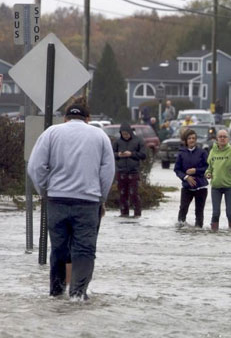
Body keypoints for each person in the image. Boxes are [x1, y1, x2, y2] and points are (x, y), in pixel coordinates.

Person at [27, 98, 115, 299]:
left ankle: (56, 293)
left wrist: (44, 191)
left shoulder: (51, 133)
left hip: (57, 201)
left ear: (65, 117)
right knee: (84, 251)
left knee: (58, 249)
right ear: (88, 118)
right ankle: (77, 295)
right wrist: (101, 198)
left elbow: (35, 167)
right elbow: (107, 172)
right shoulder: (99, 136)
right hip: (87, 202)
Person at [204, 129, 231, 231]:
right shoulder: (212, 151)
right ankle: (214, 233)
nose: (222, 138)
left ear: (228, 139)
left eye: (225, 137)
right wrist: (208, 173)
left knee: (229, 213)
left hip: (230, 186)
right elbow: (209, 167)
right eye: (220, 137)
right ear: (217, 139)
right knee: (215, 213)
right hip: (216, 187)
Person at [174, 129, 209, 228]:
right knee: (183, 209)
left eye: (193, 138)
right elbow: (177, 170)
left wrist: (196, 171)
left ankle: (198, 229)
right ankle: (180, 229)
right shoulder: (181, 153)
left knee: (199, 211)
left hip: (201, 187)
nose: (191, 140)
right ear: (186, 140)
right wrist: (186, 177)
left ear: (196, 140)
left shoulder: (202, 152)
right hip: (186, 187)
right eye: (189, 138)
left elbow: (208, 168)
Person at [112, 122, 146, 217]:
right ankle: (124, 214)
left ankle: (137, 214)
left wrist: (131, 154)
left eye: (126, 134)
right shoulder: (117, 142)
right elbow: (110, 153)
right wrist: (118, 155)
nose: (125, 136)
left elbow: (143, 155)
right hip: (121, 172)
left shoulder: (138, 141)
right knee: (122, 196)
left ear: (130, 132)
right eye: (123, 134)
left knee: (134, 194)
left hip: (133, 172)